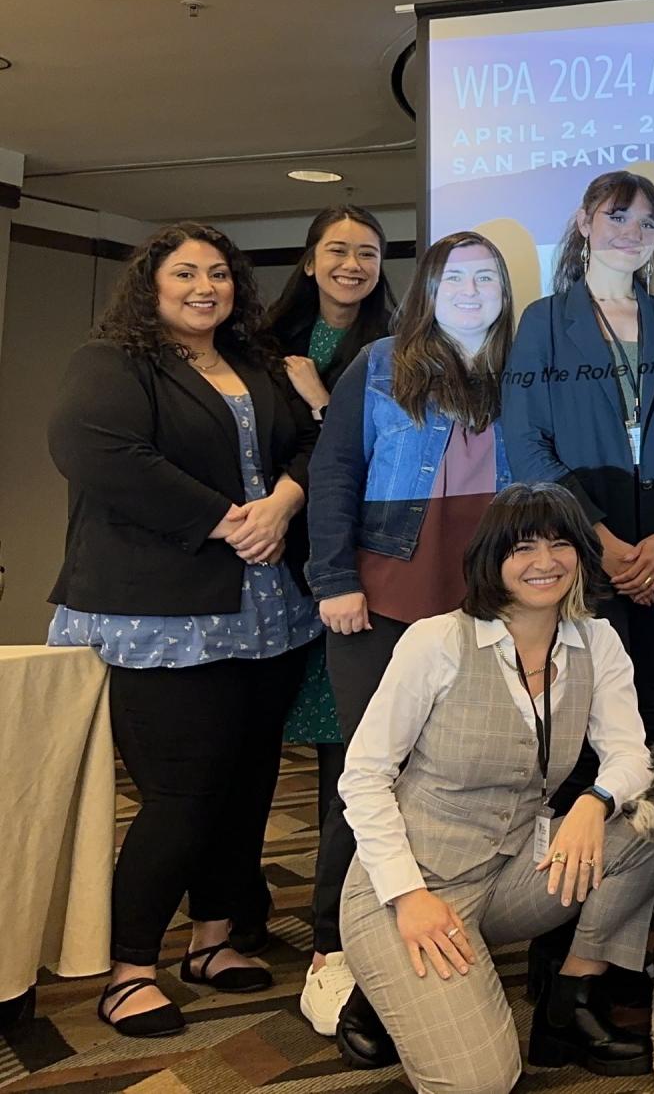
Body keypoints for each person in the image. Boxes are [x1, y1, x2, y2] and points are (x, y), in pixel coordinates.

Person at [46, 223, 321, 1037]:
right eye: (186, 273)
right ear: (151, 284)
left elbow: (310, 441)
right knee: (180, 795)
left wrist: (284, 501)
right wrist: (226, 521)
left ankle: (214, 937)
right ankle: (130, 969)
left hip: (267, 613)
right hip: (164, 615)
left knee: (247, 785)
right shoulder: (113, 363)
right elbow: (97, 451)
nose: (206, 286)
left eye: (219, 273)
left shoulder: (255, 362)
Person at [338, 482, 654, 1094]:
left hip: (511, 874)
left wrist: (593, 804)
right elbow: (363, 776)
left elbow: (631, 754)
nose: (544, 562)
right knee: (481, 1083)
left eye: (559, 543)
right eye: (522, 548)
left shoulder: (596, 640)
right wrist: (407, 896)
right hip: (413, 888)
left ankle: (570, 994)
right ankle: (380, 977)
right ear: (491, 559)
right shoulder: (436, 641)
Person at [300, 231, 514, 1056]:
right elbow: (335, 473)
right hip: (383, 592)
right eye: (454, 276)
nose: (469, 289)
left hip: (488, 602)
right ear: (428, 287)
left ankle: (437, 924)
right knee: (371, 773)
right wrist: (333, 578)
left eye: (485, 277)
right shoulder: (382, 363)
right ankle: (334, 948)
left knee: (456, 767)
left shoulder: (515, 374)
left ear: (502, 291)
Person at [503, 168, 654, 752]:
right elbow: (527, 446)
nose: (634, 232)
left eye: (648, 222)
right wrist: (604, 543)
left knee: (651, 717)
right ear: (584, 223)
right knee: (590, 721)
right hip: (579, 546)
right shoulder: (544, 321)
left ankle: (641, 844)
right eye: (618, 216)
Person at [258, 204, 398, 965]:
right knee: (267, 751)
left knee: (354, 757)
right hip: (275, 565)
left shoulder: (393, 349)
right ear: (309, 260)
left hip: (358, 570)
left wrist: (319, 397)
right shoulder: (262, 344)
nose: (352, 263)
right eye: (337, 250)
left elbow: (374, 454)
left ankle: (342, 932)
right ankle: (241, 920)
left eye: (368, 252)